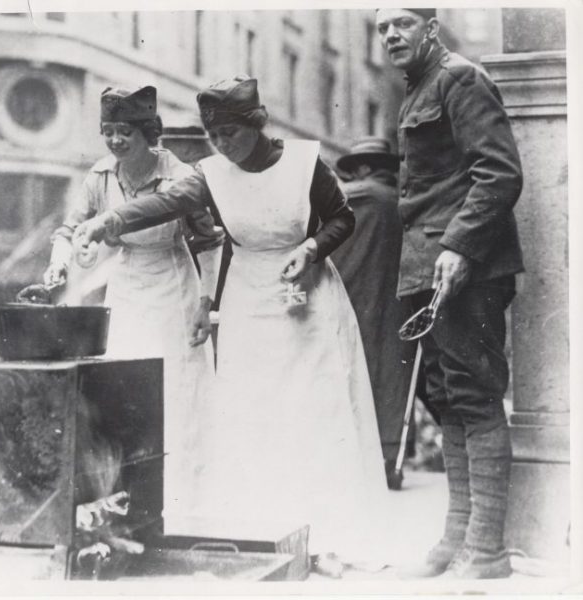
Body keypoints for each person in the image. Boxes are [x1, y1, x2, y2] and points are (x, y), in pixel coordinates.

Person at [72, 76, 390, 577]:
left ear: (256, 125)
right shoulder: (211, 172)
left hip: (305, 298)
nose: (222, 145)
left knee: (312, 415)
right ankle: (265, 531)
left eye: (231, 134)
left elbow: (342, 218)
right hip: (247, 300)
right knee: (249, 416)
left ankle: (328, 535)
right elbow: (167, 202)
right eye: (213, 136)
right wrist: (107, 223)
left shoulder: (306, 165)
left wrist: (311, 248)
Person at [375, 8, 524, 579]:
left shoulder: (460, 77)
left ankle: (486, 552)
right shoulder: (418, 88)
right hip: (428, 273)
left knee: (474, 395)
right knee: (449, 399)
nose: (390, 34)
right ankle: (458, 539)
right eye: (382, 26)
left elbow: (499, 173)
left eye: (403, 23)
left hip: (467, 271)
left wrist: (461, 247)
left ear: (430, 28)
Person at [44, 85, 224, 525]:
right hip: (126, 287)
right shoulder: (100, 176)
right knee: (123, 387)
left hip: (171, 285)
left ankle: (185, 501)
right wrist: (60, 262)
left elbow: (209, 243)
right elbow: (70, 228)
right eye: (108, 131)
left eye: (124, 131)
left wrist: (205, 303)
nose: (115, 141)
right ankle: (131, 499)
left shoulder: (178, 175)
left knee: (174, 392)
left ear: (148, 132)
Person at [331, 136, 417, 491]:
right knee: (393, 373)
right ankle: (389, 456)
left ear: (364, 168)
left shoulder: (358, 196)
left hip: (355, 293)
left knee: (355, 368)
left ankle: (357, 456)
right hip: (398, 300)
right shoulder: (403, 200)